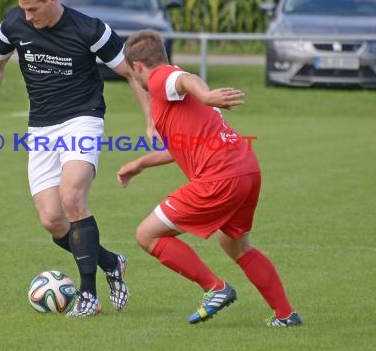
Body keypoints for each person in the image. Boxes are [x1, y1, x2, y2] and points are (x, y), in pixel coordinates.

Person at [0, 0, 152, 317]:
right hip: (41, 129)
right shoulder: (14, 24)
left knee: (73, 196)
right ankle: (111, 262)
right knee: (53, 221)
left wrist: (151, 119)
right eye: (23, 9)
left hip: (82, 119)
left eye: (33, 9)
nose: (27, 16)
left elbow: (132, 73)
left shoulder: (91, 29)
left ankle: (88, 296)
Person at [117, 30, 302, 327]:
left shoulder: (159, 78)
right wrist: (141, 162)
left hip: (220, 177)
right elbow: (185, 146)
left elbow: (185, 78)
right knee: (235, 245)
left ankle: (215, 289)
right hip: (246, 168)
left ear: (138, 67)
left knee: (147, 235)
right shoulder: (175, 96)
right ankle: (286, 315)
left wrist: (205, 93)